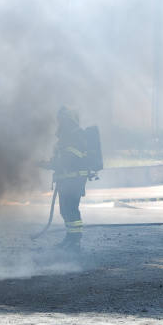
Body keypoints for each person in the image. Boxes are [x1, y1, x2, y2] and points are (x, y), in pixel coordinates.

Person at [49, 106, 93, 250]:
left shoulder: (76, 136)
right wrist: (49, 163)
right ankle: (70, 238)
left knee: (71, 210)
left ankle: (75, 242)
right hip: (67, 180)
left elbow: (71, 157)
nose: (60, 123)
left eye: (63, 120)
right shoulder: (66, 136)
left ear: (70, 120)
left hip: (74, 180)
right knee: (65, 210)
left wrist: (53, 164)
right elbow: (61, 158)